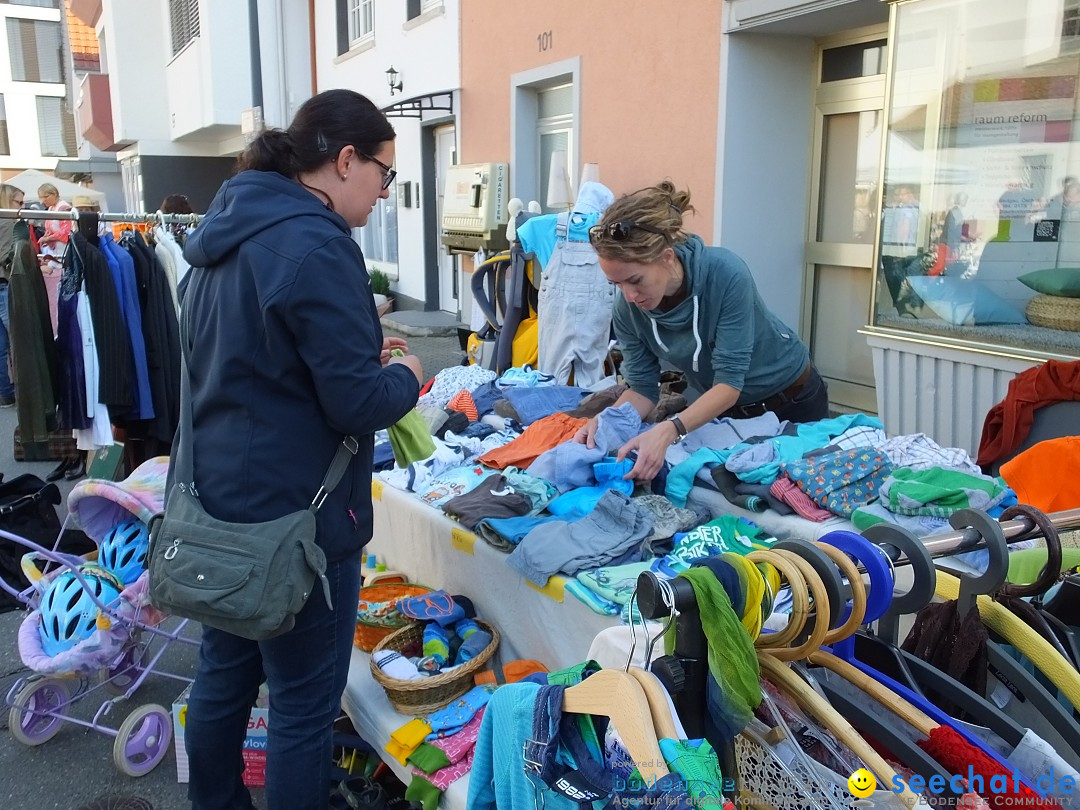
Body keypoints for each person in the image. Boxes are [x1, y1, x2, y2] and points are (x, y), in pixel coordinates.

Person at [178, 88, 423, 810]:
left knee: (223, 677)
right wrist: (407, 374)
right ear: (346, 160)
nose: (384, 191)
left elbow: (254, 364)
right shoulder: (318, 243)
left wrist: (350, 351)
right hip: (297, 528)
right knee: (300, 707)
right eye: (385, 174)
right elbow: (356, 403)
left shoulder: (225, 233)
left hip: (217, 507)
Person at [574, 181, 828, 482]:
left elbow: (728, 384)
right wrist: (607, 422)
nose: (629, 296)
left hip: (793, 400)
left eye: (635, 280)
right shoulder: (627, 309)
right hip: (727, 414)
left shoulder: (725, 273)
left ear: (667, 257)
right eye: (616, 284)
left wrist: (669, 430)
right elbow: (642, 389)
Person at [0, 183, 24, 407]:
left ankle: (5, 393)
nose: (22, 207)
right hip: (3, 283)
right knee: (19, 340)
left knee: (1, 345)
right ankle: (25, 391)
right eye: (18, 202)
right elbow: (4, 255)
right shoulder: (7, 222)